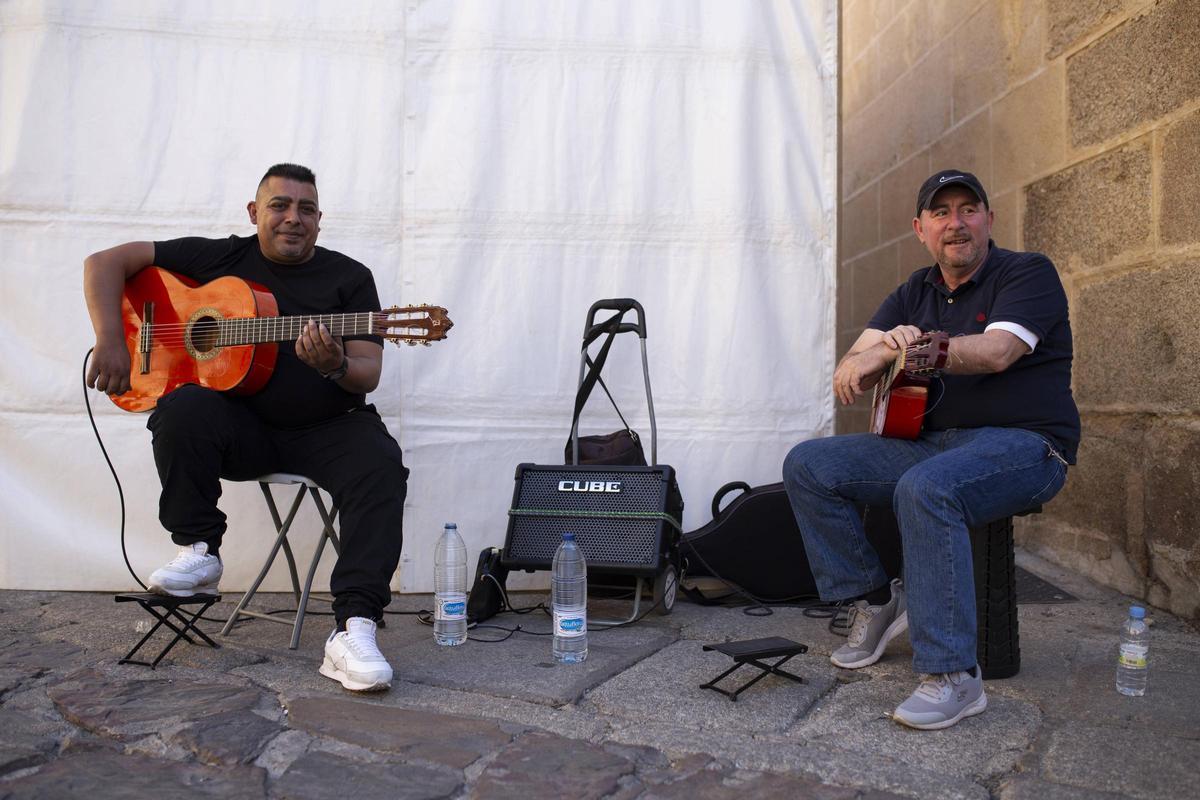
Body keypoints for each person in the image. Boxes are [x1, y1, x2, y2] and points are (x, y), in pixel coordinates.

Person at [84, 163, 408, 693]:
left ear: (320, 220)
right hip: (244, 432)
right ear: (255, 213)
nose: (292, 218)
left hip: (327, 427)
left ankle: (354, 628)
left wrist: (333, 366)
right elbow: (103, 263)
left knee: (381, 464)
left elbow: (367, 372)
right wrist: (111, 338)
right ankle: (198, 551)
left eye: (306, 209)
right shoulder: (219, 258)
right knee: (183, 406)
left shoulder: (349, 278)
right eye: (279, 205)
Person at [783, 169, 1079, 730]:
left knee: (928, 488)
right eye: (941, 213)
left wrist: (912, 349)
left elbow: (996, 353)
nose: (956, 223)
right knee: (810, 465)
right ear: (921, 229)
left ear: (989, 219)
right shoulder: (912, 291)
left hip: (1027, 444)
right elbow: (851, 371)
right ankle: (874, 600)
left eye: (969, 209)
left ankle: (953, 676)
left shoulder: (1027, 272)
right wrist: (871, 353)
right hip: (932, 443)